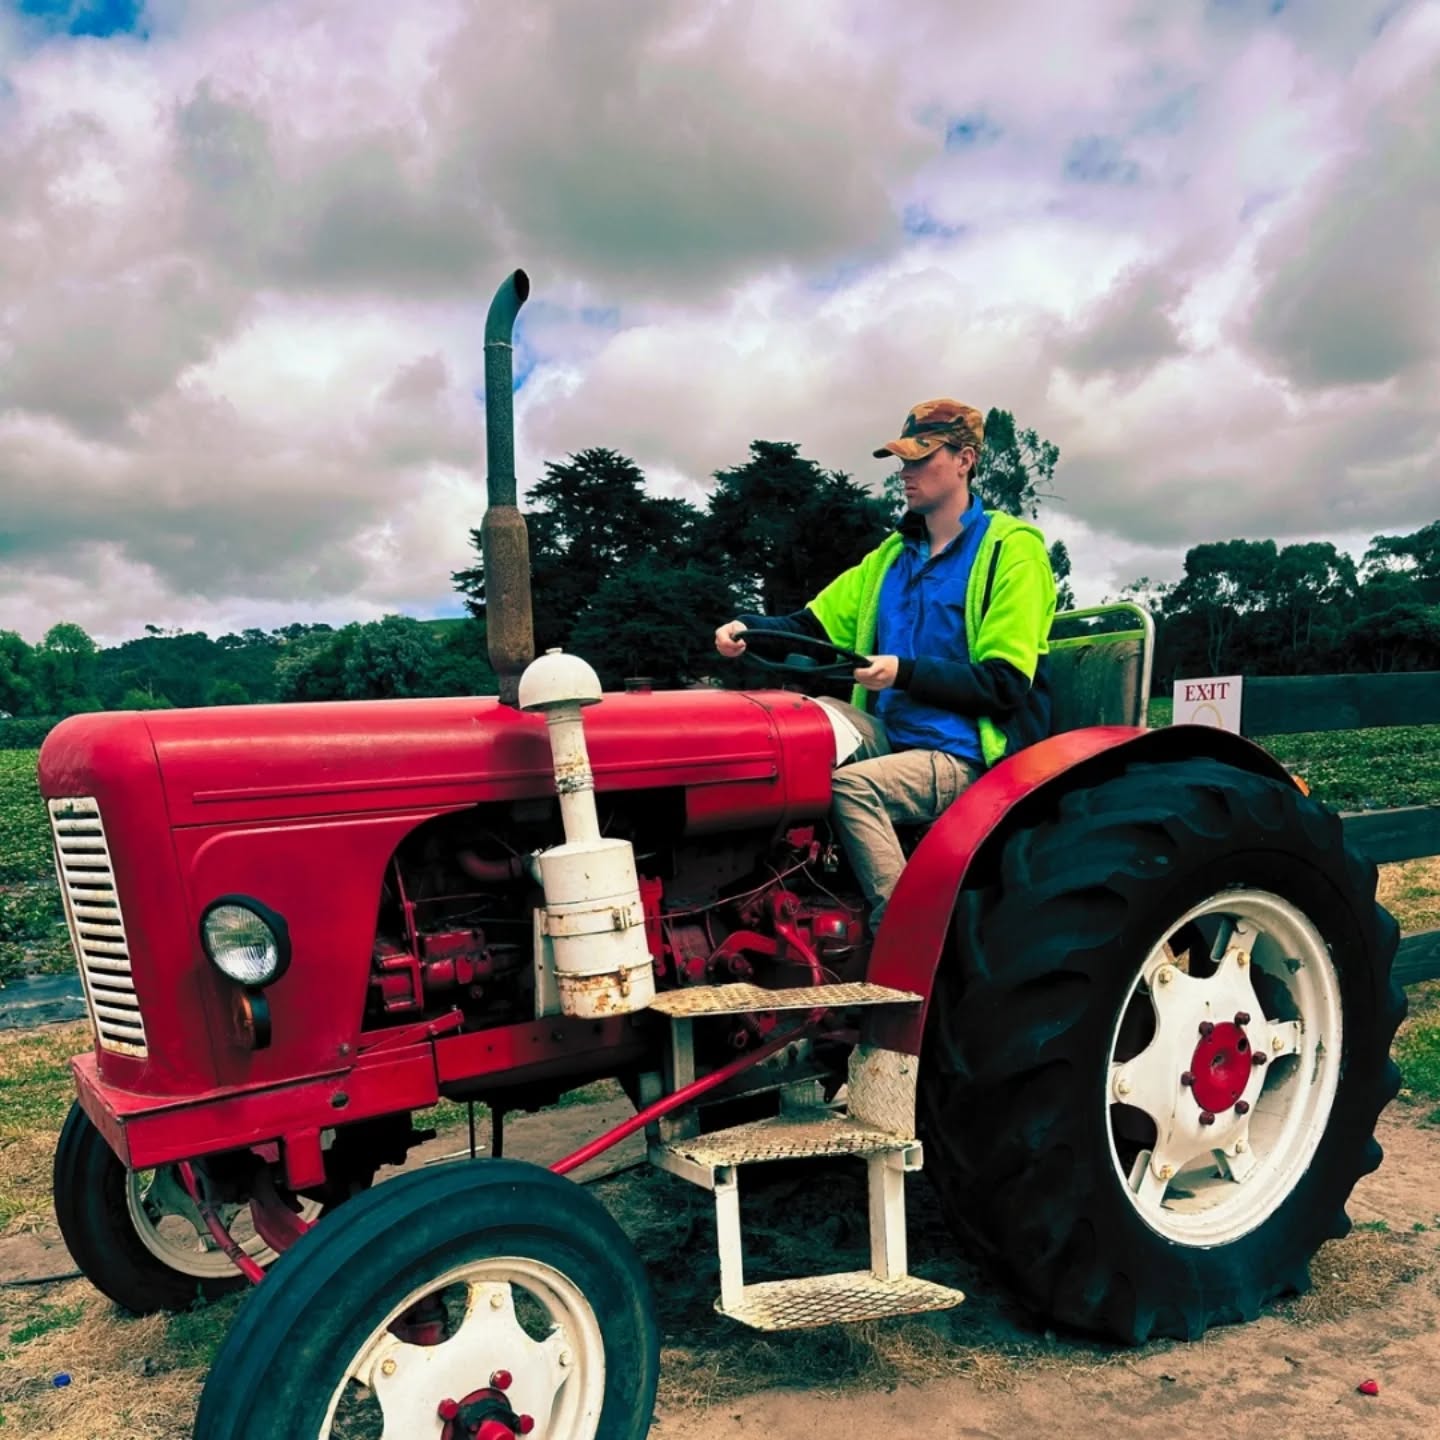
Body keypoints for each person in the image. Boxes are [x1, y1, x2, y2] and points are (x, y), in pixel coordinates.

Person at [714, 398, 1056, 930]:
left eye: (921, 459)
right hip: (895, 735)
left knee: (853, 787)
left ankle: (903, 934)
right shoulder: (891, 559)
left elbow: (1004, 684)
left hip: (968, 754)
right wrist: (745, 627)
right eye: (903, 461)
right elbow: (810, 626)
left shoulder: (1012, 553)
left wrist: (902, 672)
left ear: (965, 459)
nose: (906, 473)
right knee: (803, 721)